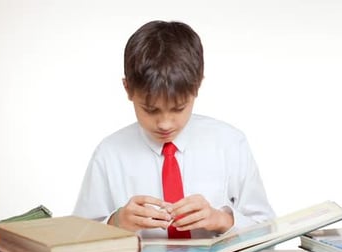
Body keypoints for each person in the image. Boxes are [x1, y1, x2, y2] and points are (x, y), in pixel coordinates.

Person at [73, 20, 275, 239]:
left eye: (178, 108)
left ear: (197, 86)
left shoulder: (230, 144)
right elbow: (78, 240)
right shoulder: (109, 154)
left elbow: (268, 233)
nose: (165, 124)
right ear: (128, 89)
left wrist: (221, 220)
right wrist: (116, 222)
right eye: (150, 110)